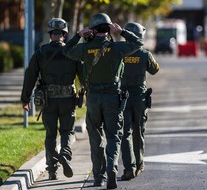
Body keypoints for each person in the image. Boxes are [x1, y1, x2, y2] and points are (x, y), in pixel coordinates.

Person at [63, 13, 143, 189]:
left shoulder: (85, 49)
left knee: (95, 136)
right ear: (108, 29)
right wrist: (122, 31)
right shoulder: (118, 48)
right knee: (113, 135)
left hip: (92, 98)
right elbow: (139, 43)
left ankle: (98, 176)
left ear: (93, 29)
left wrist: (78, 35)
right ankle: (112, 167)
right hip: (112, 97)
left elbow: (66, 50)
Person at [21, 18, 84, 180]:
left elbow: (30, 76)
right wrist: (90, 94)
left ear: (50, 34)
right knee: (67, 131)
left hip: (48, 100)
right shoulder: (73, 52)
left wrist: (25, 98)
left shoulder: (41, 53)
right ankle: (65, 153)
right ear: (64, 34)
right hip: (68, 100)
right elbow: (84, 76)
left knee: (50, 135)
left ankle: (52, 171)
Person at [120, 22, 159, 180]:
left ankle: (129, 167)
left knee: (125, 133)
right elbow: (155, 70)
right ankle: (140, 163)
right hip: (139, 98)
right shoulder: (144, 54)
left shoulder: (119, 53)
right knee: (139, 132)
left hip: (123, 97)